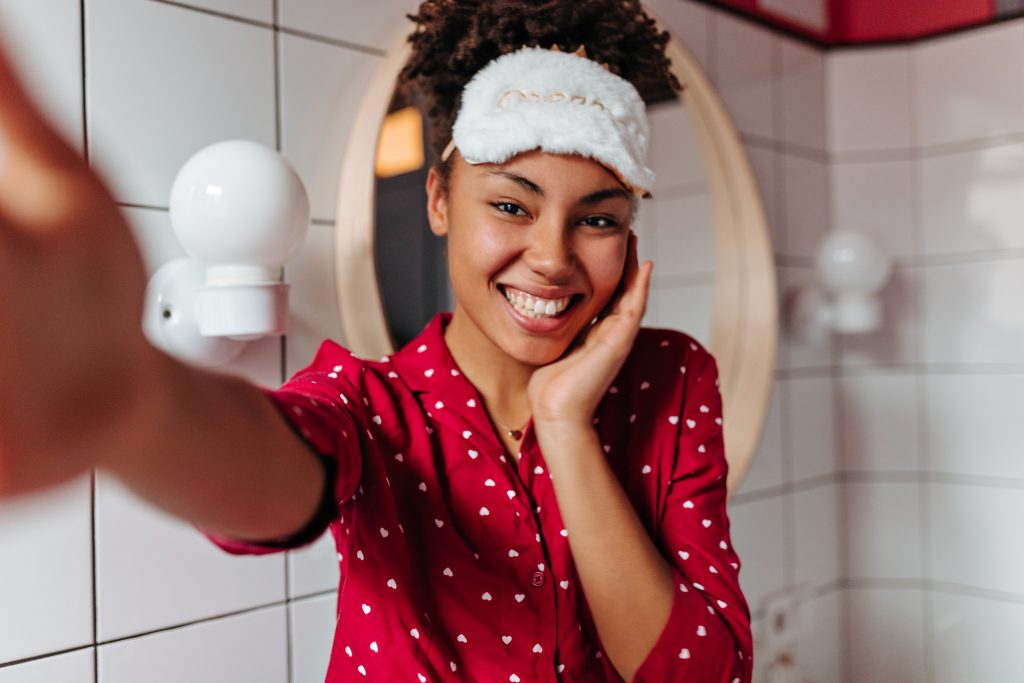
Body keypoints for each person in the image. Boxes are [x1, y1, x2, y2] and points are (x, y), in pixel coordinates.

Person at [0, 0, 752, 681]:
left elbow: (704, 673)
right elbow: (273, 470)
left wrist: (564, 426)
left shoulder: (671, 378)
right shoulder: (371, 406)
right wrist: (132, 402)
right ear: (438, 199)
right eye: (510, 205)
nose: (554, 256)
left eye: (598, 218)